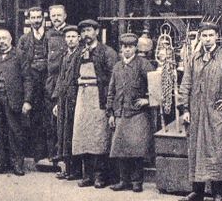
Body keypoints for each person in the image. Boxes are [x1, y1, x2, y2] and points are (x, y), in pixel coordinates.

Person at [176, 22, 222, 201]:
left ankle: (217, 192)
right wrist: (185, 108)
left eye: (211, 35)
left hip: (217, 113)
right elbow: (186, 84)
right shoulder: (194, 58)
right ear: (200, 37)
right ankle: (197, 191)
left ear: (217, 36)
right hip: (196, 112)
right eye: (204, 35)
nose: (207, 39)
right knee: (196, 150)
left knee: (217, 150)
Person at [70, 19, 118, 188]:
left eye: (89, 30)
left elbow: (113, 77)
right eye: (83, 31)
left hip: (99, 97)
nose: (86, 34)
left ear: (96, 32)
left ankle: (100, 176)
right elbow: (73, 76)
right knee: (83, 136)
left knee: (99, 136)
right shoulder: (79, 52)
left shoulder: (107, 52)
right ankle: (87, 175)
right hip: (82, 98)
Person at [106, 33, 155, 192]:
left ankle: (137, 181)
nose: (127, 50)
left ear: (135, 48)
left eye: (130, 47)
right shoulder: (117, 67)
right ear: (121, 49)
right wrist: (111, 113)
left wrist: (148, 100)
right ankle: (124, 180)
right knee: (120, 149)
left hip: (137, 114)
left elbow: (156, 85)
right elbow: (111, 92)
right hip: (120, 113)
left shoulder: (144, 64)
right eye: (124, 47)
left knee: (136, 149)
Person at [0, 29, 33, 176]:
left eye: (4, 38)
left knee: (15, 132)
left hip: (13, 100)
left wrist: (27, 101)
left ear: (10, 40)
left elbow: (27, 79)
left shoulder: (19, 55)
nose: (2, 42)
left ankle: (17, 164)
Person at [17, 6, 55, 165]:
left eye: (39, 17)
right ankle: (38, 155)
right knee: (35, 118)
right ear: (29, 20)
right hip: (32, 83)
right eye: (33, 18)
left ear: (43, 19)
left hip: (49, 81)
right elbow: (20, 62)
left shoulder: (51, 36)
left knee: (50, 117)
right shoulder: (24, 39)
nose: (36, 20)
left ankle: (52, 154)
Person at [51, 24, 83, 180]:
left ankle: (76, 170)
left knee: (73, 133)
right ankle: (67, 168)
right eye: (68, 37)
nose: (70, 40)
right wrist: (57, 101)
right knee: (63, 134)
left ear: (79, 38)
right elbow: (60, 79)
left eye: (73, 37)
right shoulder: (65, 56)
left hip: (75, 98)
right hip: (64, 99)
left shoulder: (81, 55)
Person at [44, 4, 69, 165]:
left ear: (65, 16)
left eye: (59, 15)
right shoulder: (48, 35)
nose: (56, 18)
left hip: (65, 79)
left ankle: (64, 156)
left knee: (64, 119)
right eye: (53, 16)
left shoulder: (70, 33)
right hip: (51, 80)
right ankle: (52, 155)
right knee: (50, 120)